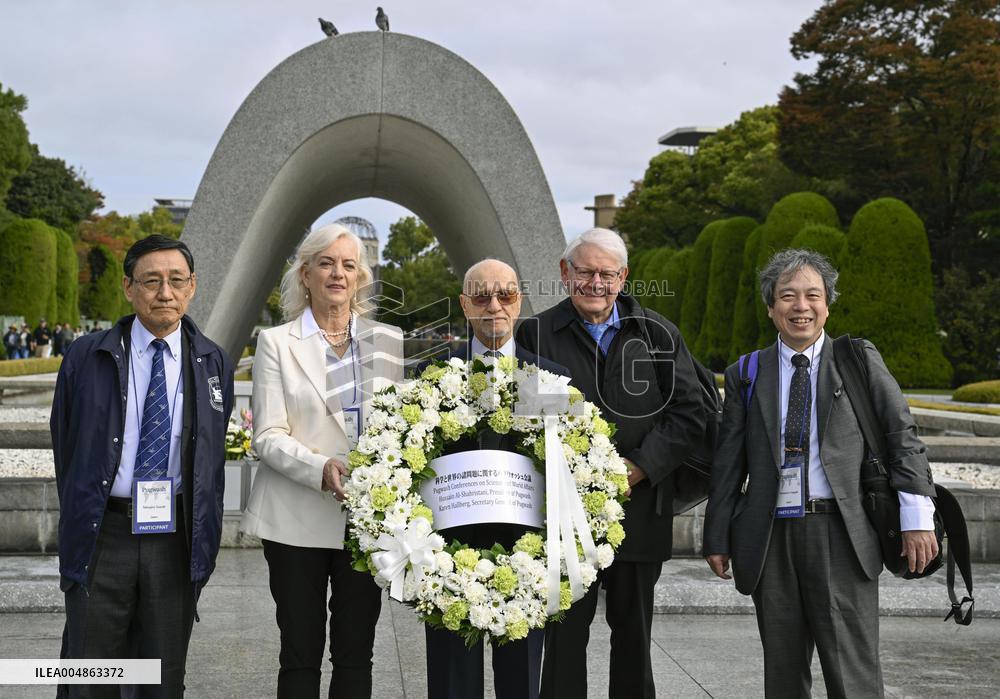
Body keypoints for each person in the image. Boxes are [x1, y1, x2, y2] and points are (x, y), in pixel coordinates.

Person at [703, 249, 938, 698]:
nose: (800, 306)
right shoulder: (746, 372)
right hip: (771, 534)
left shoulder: (856, 359)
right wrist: (717, 535)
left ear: (828, 303)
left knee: (852, 673)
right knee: (784, 673)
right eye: (787, 296)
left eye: (813, 294)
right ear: (771, 307)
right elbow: (728, 462)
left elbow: (900, 433)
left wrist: (916, 517)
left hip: (842, 533)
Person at [515, 228, 705, 699]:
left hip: (637, 508)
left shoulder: (658, 333)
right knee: (562, 641)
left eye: (606, 273)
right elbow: (522, 418)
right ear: (565, 273)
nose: (595, 282)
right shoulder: (533, 333)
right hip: (562, 514)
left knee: (635, 639)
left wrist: (637, 467)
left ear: (623, 277)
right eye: (585, 271)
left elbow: (689, 411)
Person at [50, 234, 234, 697]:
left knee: (162, 676)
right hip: (103, 533)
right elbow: (65, 446)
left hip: (174, 539)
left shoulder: (213, 361)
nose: (164, 293)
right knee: (89, 677)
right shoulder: (85, 356)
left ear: (192, 286)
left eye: (176, 280)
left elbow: (210, 460)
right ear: (128, 288)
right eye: (151, 281)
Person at [240, 223, 404, 698]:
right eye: (326, 263)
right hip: (294, 519)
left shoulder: (388, 342)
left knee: (356, 653)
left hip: (365, 520)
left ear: (360, 277)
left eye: (348, 265)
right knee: (300, 652)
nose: (338, 273)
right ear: (305, 274)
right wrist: (320, 469)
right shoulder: (276, 342)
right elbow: (266, 435)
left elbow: (400, 427)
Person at [424, 259, 568, 699]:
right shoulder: (430, 374)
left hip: (525, 557)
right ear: (465, 305)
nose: (494, 306)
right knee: (451, 684)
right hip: (449, 556)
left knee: (521, 683)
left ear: (519, 301)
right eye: (481, 296)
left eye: (504, 295)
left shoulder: (549, 378)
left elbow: (568, 465)